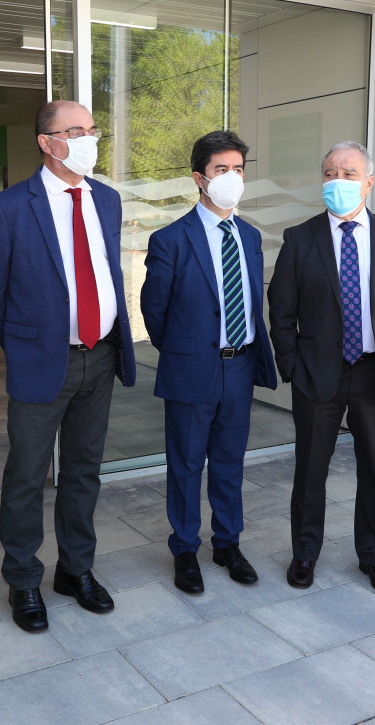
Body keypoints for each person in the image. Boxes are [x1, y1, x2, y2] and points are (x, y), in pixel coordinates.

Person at [0, 100, 136, 633]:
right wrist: (24, 345)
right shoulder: (11, 207)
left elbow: (104, 271)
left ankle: (75, 570)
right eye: (75, 131)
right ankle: (23, 580)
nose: (89, 139)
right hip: (44, 362)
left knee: (84, 472)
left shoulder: (106, 200)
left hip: (101, 356)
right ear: (47, 142)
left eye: (92, 130)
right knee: (25, 476)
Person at [268, 141, 375, 596]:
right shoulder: (300, 238)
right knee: (310, 471)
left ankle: (374, 554)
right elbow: (281, 312)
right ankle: (305, 552)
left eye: (348, 173)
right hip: (317, 374)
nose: (337, 181)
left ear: (368, 181)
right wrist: (292, 368)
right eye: (329, 173)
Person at [139, 131, 277, 594]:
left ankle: (227, 543)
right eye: (222, 169)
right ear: (199, 178)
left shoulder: (251, 237)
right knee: (185, 464)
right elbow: (154, 311)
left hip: (241, 366)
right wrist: (185, 350)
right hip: (192, 367)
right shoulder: (170, 239)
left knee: (229, 461)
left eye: (239, 168)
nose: (233, 177)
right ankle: (184, 549)